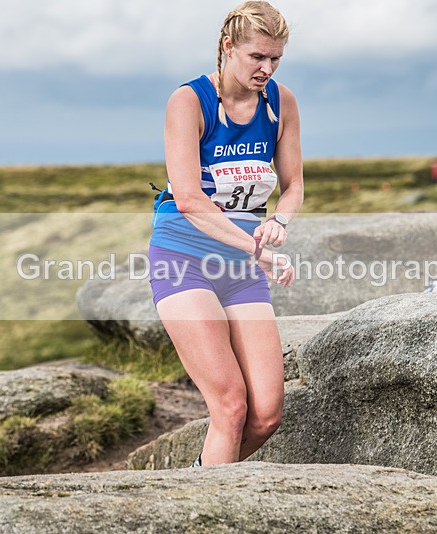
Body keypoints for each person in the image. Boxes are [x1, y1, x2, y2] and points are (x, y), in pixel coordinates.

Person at [149, 1, 302, 466]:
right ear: (228, 46)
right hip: (183, 257)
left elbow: (294, 186)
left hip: (240, 267)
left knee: (267, 415)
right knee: (231, 405)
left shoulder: (281, 103)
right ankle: (203, 510)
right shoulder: (189, 101)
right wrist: (258, 248)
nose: (267, 68)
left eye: (275, 58)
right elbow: (191, 199)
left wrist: (278, 221)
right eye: (257, 57)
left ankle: (194, 482)